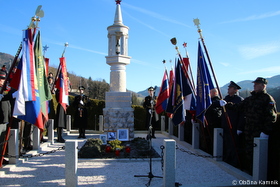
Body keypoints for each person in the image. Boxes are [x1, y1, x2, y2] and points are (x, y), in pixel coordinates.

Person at [224, 77, 277, 175]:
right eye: (254, 84)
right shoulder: (250, 98)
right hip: (248, 131)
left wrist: (266, 132)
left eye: (257, 84)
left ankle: (258, 176)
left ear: (263, 86)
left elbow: (271, 117)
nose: (254, 85)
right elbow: (238, 107)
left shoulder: (267, 99)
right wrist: (226, 104)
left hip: (259, 132)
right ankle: (249, 173)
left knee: (259, 156)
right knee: (248, 153)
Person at [222, 81, 245, 168]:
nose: (228, 89)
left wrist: (240, 127)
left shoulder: (239, 100)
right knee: (227, 144)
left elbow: (242, 115)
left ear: (235, 90)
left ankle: (234, 163)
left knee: (234, 146)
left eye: (230, 88)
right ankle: (227, 159)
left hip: (234, 126)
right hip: (226, 126)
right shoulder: (226, 99)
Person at [203, 88, 222, 154]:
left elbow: (214, 106)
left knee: (213, 140)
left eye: (210, 92)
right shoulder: (210, 100)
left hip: (214, 123)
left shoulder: (218, 101)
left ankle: (213, 152)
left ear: (214, 93)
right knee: (208, 138)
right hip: (208, 123)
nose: (209, 94)